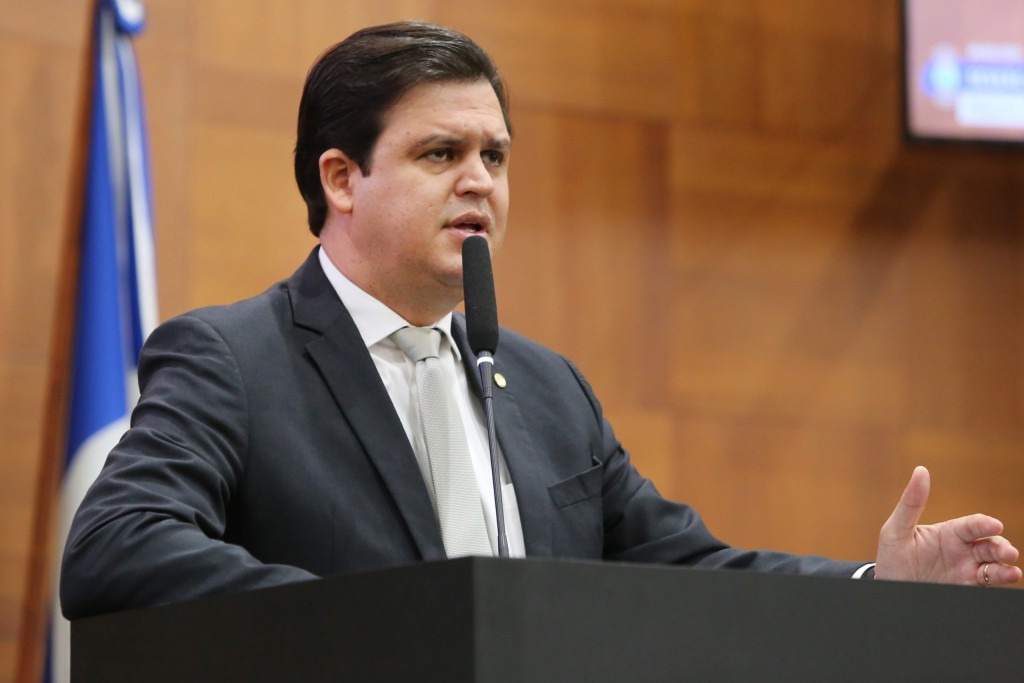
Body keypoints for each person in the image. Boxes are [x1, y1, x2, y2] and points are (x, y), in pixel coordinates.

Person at [60, 21, 1020, 620]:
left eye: (496, 156)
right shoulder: (233, 358)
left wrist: (874, 586)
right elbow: (117, 544)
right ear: (342, 179)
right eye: (442, 153)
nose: (481, 180)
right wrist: (374, 623)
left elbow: (686, 568)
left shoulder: (548, 388)